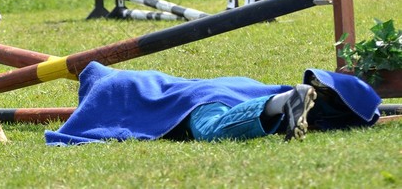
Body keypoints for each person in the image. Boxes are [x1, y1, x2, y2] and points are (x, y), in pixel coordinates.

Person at [45, 62, 381, 146]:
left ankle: (283, 102)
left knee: (209, 130)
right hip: (234, 86)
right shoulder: (138, 77)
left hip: (201, 102)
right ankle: (332, 101)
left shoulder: (108, 86)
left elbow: (90, 124)